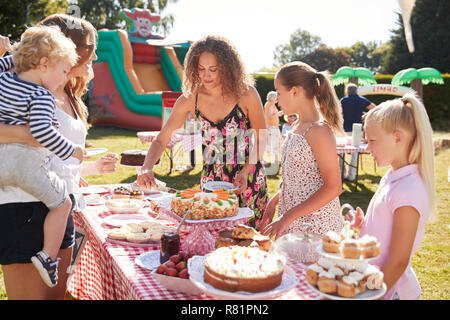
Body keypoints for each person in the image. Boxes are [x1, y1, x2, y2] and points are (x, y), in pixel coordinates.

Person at [0, 14, 118, 300]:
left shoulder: (67, 94)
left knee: (55, 295)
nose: (94, 56)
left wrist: (89, 167)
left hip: (58, 205)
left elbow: (56, 159)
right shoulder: (29, 87)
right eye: (88, 49)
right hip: (24, 207)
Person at [137, 35, 269, 228]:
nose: (206, 75)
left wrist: (246, 170)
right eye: (201, 69)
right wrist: (146, 167)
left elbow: (263, 137)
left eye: (213, 70)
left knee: (249, 243)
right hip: (211, 183)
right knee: (211, 242)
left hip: (248, 179)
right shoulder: (190, 99)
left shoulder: (246, 94)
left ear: (226, 67)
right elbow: (161, 139)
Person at [0, 25, 85, 288]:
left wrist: (18, 53)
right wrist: (72, 150)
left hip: (3, 167)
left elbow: (6, 63)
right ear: (44, 63)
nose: (63, 79)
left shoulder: (4, 80)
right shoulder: (41, 95)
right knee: (62, 204)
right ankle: (47, 257)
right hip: (26, 169)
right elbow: (40, 132)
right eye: (62, 72)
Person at [347, 92, 436, 300]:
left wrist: (369, 296)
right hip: (375, 281)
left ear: (397, 137)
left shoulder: (409, 190)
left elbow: (397, 261)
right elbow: (387, 232)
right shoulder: (394, 176)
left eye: (372, 141)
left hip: (389, 291)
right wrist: (364, 227)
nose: (367, 148)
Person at [260, 61, 344, 239]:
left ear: (295, 91)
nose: (278, 100)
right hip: (293, 219)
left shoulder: (319, 131)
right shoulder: (297, 125)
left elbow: (333, 187)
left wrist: (287, 217)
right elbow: (297, 178)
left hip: (315, 225)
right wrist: (274, 202)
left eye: (279, 93)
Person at [340, 83, 375, 181]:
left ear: (347, 91)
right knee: (355, 152)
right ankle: (351, 176)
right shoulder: (362, 100)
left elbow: (337, 111)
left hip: (345, 128)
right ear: (356, 91)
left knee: (342, 153)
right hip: (357, 129)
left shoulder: (343, 100)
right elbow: (375, 108)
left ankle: (342, 174)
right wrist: (366, 115)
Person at [263, 91, 283, 163]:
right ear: (273, 98)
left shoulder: (269, 104)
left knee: (271, 143)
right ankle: (276, 161)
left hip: (270, 126)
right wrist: (279, 113)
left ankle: (275, 160)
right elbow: (270, 116)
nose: (277, 100)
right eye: (276, 98)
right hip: (272, 127)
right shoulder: (270, 105)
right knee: (275, 143)